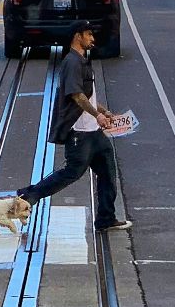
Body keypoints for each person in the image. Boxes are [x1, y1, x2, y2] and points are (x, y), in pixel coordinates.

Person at [10, 23, 131, 232]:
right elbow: (76, 96)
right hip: (80, 134)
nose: (92, 38)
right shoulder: (72, 63)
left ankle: (106, 218)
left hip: (94, 133)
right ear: (78, 36)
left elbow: (88, 97)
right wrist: (98, 115)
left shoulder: (82, 60)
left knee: (108, 174)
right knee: (71, 173)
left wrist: (104, 112)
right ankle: (28, 195)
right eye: (89, 34)